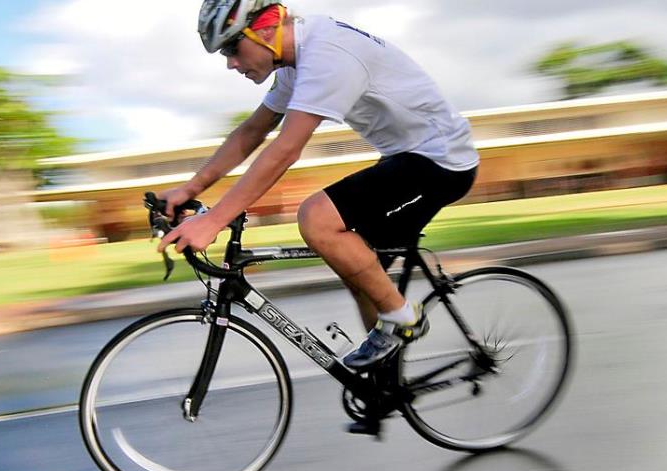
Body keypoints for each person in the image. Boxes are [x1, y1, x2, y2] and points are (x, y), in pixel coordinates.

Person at [159, 1, 479, 376]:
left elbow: (285, 149)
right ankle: (384, 385)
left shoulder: (327, 55)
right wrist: (190, 188)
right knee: (358, 267)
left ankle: (403, 317)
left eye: (231, 48)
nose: (230, 63)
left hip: (441, 161)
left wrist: (213, 220)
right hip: (405, 157)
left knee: (317, 219)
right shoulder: (296, 62)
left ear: (264, 31)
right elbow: (251, 132)